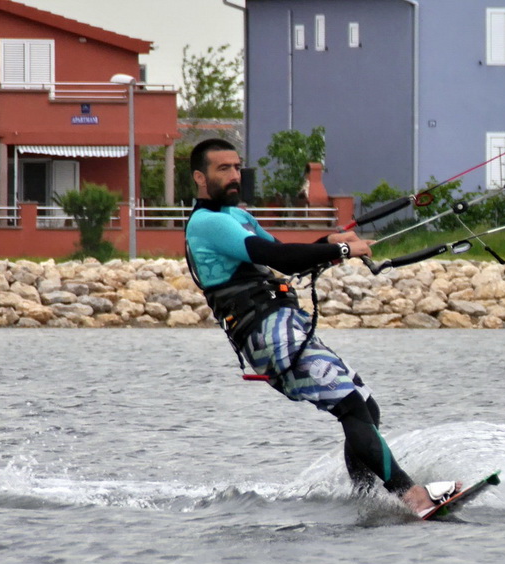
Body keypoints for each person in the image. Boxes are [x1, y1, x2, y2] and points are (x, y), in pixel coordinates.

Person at [184, 138, 458, 517]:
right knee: (350, 405)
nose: (234, 176)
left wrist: (328, 242)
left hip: (285, 326)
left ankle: (364, 498)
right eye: (222, 169)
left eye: (236, 167)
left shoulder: (237, 217)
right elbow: (274, 256)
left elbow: (288, 257)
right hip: (266, 335)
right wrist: (341, 250)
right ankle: (412, 497)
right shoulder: (208, 223)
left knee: (364, 406)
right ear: (200, 177)